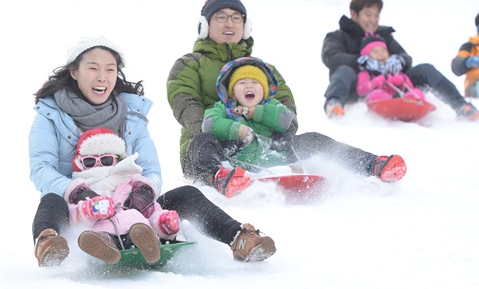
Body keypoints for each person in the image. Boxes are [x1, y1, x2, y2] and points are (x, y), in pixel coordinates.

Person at [30, 35, 276, 267]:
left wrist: (145, 192)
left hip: (134, 202)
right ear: (74, 71)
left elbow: (150, 167)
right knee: (50, 200)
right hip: (81, 210)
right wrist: (80, 194)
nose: (102, 77)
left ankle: (239, 238)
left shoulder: (131, 115)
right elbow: (41, 169)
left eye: (110, 69)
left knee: (185, 194)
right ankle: (49, 243)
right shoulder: (50, 116)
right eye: (93, 68)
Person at [166, 0, 408, 197]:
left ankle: (372, 164)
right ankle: (219, 176)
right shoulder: (188, 64)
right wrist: (225, 131)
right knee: (202, 142)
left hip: (264, 144)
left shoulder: (263, 71)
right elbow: (185, 104)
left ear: (245, 26)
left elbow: (285, 106)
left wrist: (282, 133)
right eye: (221, 17)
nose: (229, 23)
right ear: (205, 25)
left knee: (313, 139)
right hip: (214, 146)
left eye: (236, 18)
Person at [321, 0, 479, 121]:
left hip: (390, 86)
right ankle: (334, 104)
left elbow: (405, 57)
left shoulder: (384, 36)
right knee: (343, 69)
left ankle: (462, 107)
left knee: (425, 69)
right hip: (358, 88)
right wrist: (360, 62)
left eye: (376, 15)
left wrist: (398, 61)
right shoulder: (338, 36)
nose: (373, 20)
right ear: (354, 14)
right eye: (368, 14)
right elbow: (331, 57)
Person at [66, 127, 181, 264]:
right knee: (101, 236)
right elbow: (73, 215)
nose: (98, 166)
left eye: (106, 160)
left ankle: (148, 244)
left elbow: (152, 210)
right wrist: (89, 211)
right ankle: (103, 248)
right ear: (81, 164)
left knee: (139, 231)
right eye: (90, 162)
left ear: (119, 160)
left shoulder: (132, 183)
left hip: (135, 225)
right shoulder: (83, 189)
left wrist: (163, 222)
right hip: (103, 229)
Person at [202, 57, 300, 197]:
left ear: (264, 90)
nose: (249, 86)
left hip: (272, 159)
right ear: (232, 92)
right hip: (238, 163)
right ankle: (222, 176)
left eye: (255, 82)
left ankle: (291, 170)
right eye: (242, 83)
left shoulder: (273, 104)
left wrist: (257, 112)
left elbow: (285, 119)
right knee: (203, 142)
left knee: (307, 140)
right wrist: (236, 129)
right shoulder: (224, 108)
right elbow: (209, 123)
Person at [356, 33, 426, 103]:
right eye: (375, 52)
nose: (380, 54)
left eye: (383, 51)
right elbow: (361, 90)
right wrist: (376, 82)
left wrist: (401, 80)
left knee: (416, 91)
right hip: (379, 99)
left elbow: (410, 86)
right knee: (375, 95)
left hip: (399, 96)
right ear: (367, 55)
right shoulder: (366, 72)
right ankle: (391, 101)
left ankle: (414, 101)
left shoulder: (394, 69)